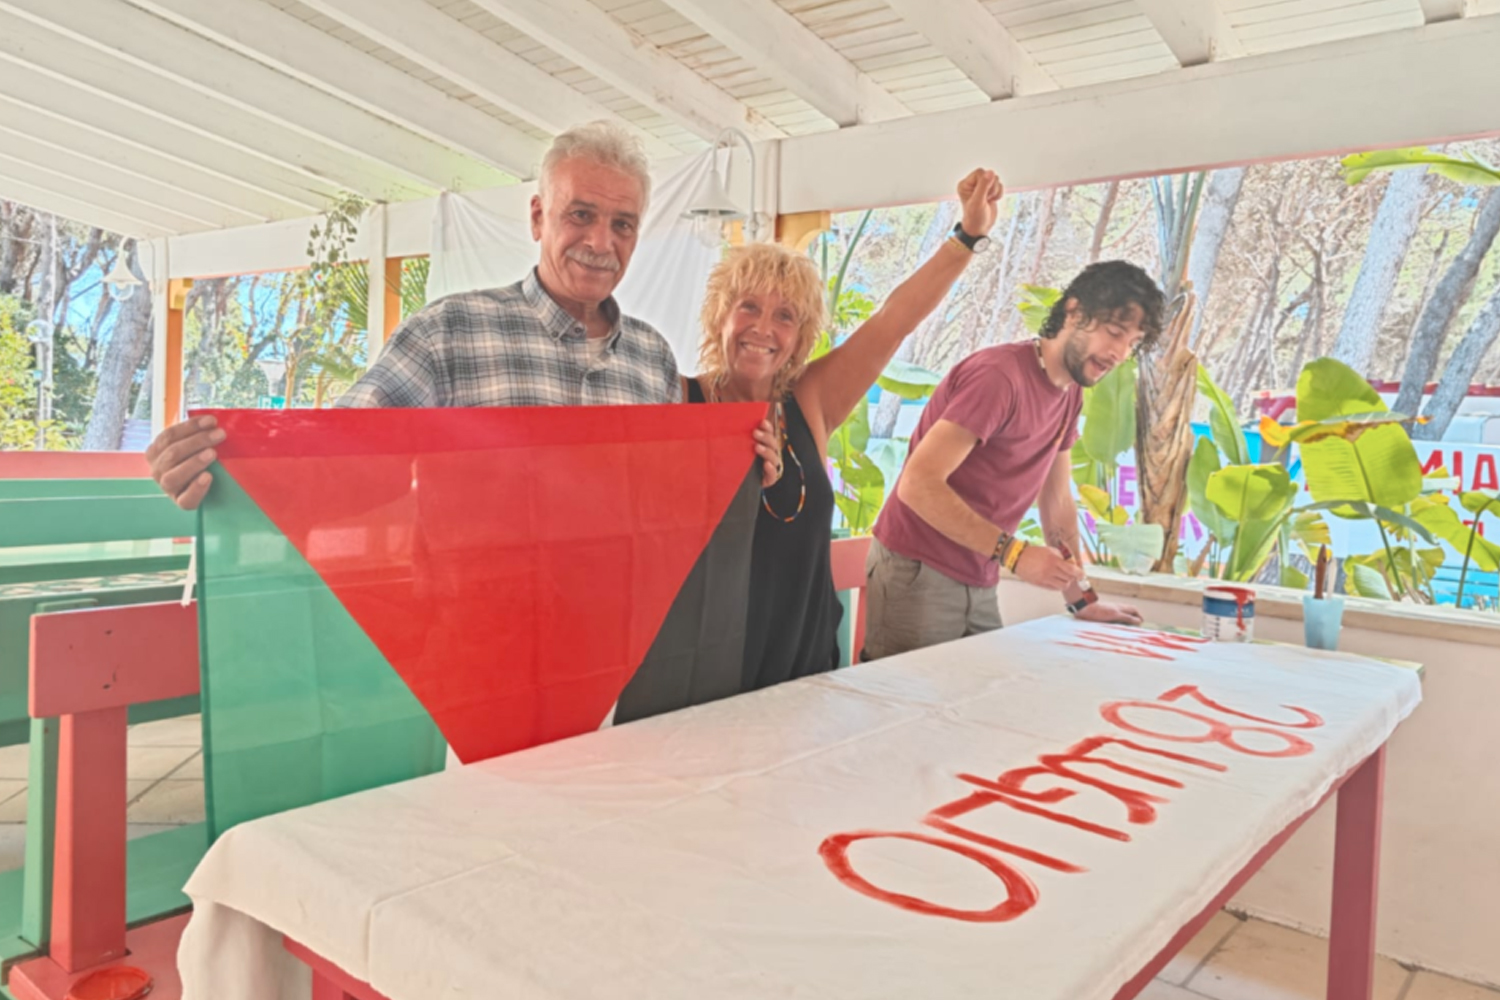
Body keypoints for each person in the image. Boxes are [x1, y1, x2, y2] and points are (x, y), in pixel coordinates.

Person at [146, 120, 778, 507]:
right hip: (476, 645)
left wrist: (748, 471)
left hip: (624, 641)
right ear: (538, 217)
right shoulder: (448, 332)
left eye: (623, 224)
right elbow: (337, 456)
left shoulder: (653, 358)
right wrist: (223, 467)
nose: (601, 243)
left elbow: (669, 496)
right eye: (579, 214)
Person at [686, 168, 1004, 692]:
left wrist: (966, 237)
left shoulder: (809, 400)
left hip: (803, 661)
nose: (764, 328)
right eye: (748, 307)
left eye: (785, 316)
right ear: (720, 315)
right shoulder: (680, 399)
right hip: (707, 670)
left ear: (802, 335)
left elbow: (892, 321)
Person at [863, 260, 1162, 661]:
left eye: (1133, 342)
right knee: (907, 712)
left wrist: (1081, 598)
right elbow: (918, 484)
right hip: (917, 569)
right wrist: (1016, 555)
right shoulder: (998, 377)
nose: (1119, 354)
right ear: (1074, 311)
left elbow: (1056, 503)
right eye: (1114, 333)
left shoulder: (1070, 392)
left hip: (980, 575)